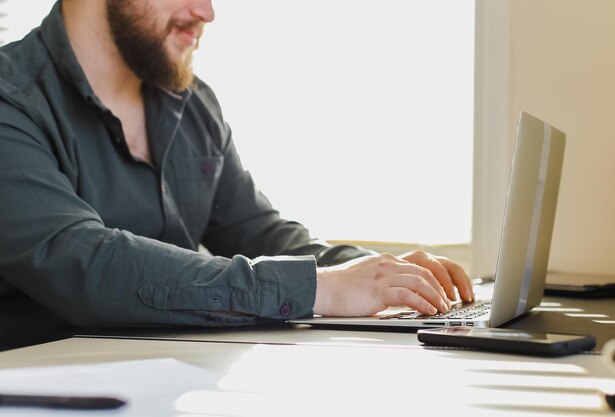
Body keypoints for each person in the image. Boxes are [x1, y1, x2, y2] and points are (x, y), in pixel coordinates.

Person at [0, 0, 474, 349]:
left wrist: (386, 276)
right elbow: (84, 264)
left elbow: (259, 233)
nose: (207, 11)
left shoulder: (192, 104)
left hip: (170, 385)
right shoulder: (11, 101)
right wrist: (322, 288)